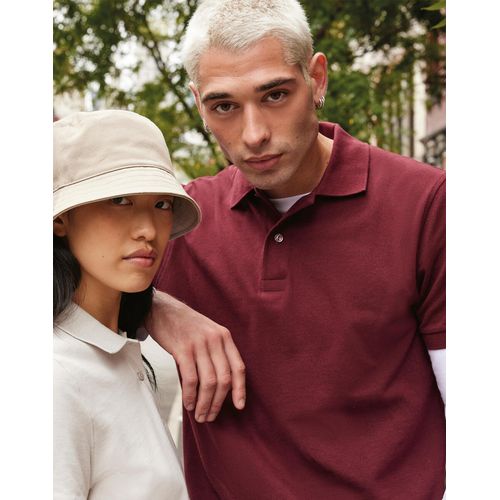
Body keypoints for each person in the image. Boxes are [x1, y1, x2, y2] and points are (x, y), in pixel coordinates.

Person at [149, 0, 446, 498]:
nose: (254, 134)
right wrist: (155, 306)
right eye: (224, 106)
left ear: (317, 79)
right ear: (200, 104)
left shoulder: (427, 202)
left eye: (275, 95)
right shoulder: (178, 220)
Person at [53, 110, 202, 499]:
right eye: (120, 200)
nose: (148, 230)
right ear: (60, 219)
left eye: (162, 204)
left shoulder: (116, 352)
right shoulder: (55, 375)